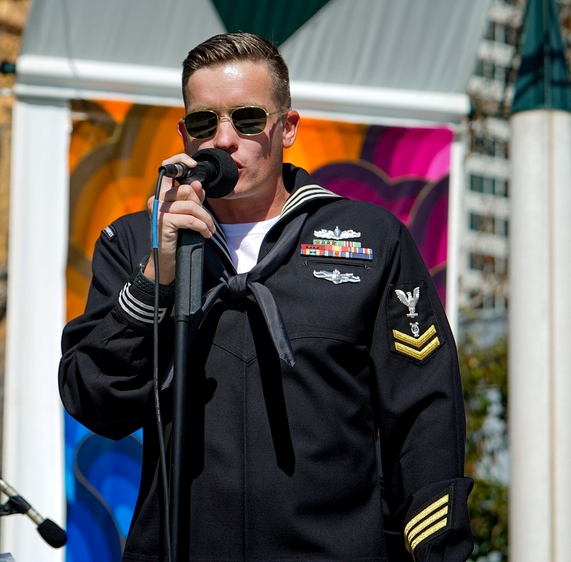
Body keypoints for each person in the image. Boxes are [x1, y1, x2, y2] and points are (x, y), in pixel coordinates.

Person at [59, 32, 473, 561]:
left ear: (288, 128)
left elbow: (424, 417)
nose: (225, 140)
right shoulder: (137, 241)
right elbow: (95, 402)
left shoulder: (371, 239)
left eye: (248, 119)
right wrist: (156, 275)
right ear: (185, 135)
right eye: (206, 123)